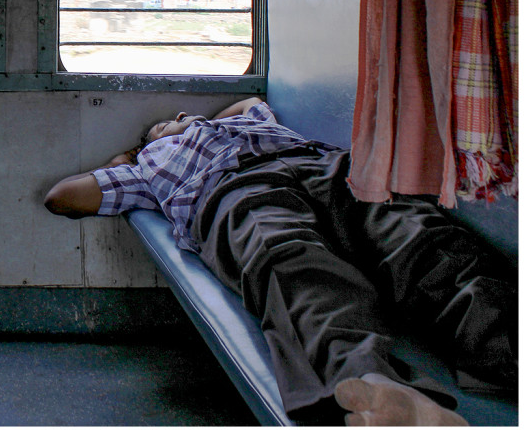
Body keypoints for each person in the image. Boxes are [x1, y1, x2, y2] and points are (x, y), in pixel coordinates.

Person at [44, 97, 516, 426]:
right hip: (233, 190)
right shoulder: (149, 168)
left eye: (181, 115)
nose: (180, 117)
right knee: (293, 266)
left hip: (327, 167)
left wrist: (198, 122)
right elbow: (62, 197)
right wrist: (129, 156)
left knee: (424, 241)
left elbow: (247, 100)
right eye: (165, 124)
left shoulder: (254, 122)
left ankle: (507, 351)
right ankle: (373, 386)